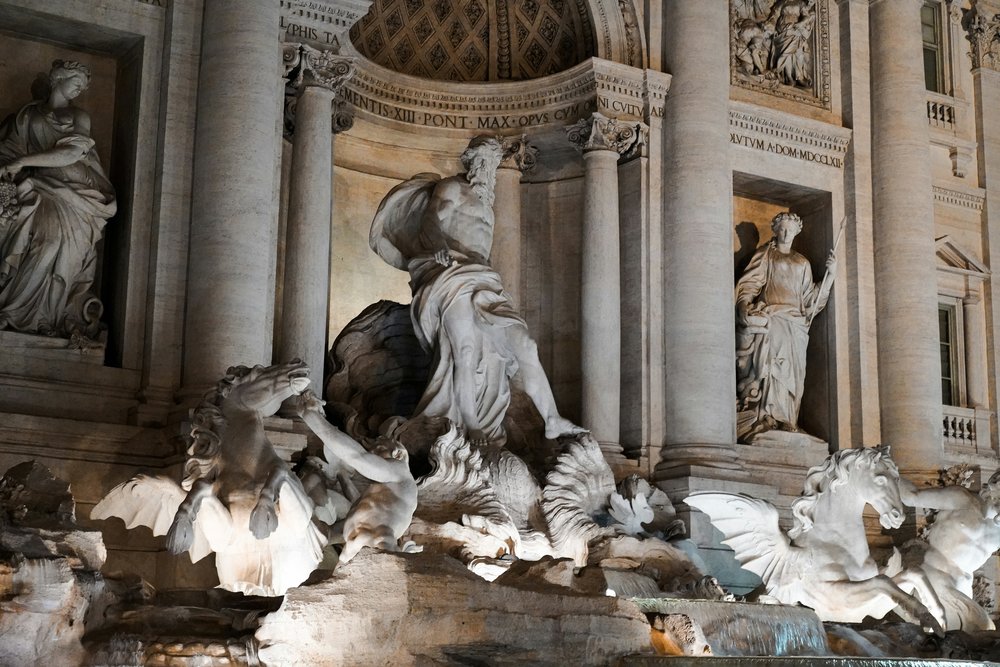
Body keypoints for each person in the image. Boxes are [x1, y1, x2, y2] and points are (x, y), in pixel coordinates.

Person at [369, 136, 584, 445]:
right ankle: (470, 423)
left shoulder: (488, 205)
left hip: (484, 280)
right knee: (464, 351)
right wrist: (437, 245)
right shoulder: (451, 188)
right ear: (469, 162)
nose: (486, 169)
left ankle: (552, 419)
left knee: (525, 345)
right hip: (450, 274)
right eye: (481, 161)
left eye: (492, 163)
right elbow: (431, 218)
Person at [0, 60, 116, 338]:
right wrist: (10, 169)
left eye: (84, 85)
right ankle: (16, 312)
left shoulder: (79, 115)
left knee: (65, 251)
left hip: (77, 192)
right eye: (76, 80)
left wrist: (22, 162)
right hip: (38, 188)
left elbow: (72, 153)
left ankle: (47, 319)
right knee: (47, 240)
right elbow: (8, 153)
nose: (81, 88)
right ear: (58, 78)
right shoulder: (27, 116)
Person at [735, 212, 835, 441]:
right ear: (776, 230)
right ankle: (766, 416)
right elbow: (750, 284)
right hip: (773, 319)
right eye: (782, 228)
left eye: (790, 229)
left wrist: (831, 276)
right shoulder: (766, 255)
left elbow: (810, 300)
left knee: (792, 375)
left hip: (795, 325)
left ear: (797, 232)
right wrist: (743, 305)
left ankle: (787, 418)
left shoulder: (802, 263)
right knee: (770, 369)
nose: (786, 233)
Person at [294, 389, 418, 564]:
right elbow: (360, 517)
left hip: (380, 548)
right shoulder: (383, 491)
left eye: (379, 448)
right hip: (352, 551)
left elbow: (356, 456)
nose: (373, 453)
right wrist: (324, 534)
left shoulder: (400, 472)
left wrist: (312, 417)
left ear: (397, 453)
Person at [898, 471, 1000, 631]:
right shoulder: (961, 499)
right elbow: (911, 496)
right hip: (935, 578)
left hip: (964, 588)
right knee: (984, 629)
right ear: (995, 488)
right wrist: (884, 471)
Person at [766, 0, 817, 87]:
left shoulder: (800, 3)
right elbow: (774, 16)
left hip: (795, 28)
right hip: (782, 29)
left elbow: (806, 16)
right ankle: (789, 77)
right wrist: (771, 26)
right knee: (788, 53)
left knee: (798, 53)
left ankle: (799, 77)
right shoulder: (781, 2)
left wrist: (800, 23)